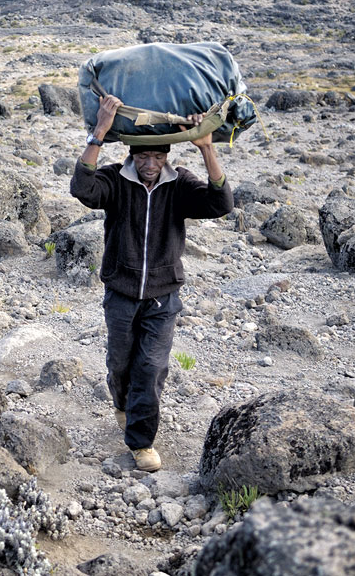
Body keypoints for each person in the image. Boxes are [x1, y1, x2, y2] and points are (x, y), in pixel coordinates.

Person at [69, 94, 233, 471]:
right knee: (121, 365)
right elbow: (83, 189)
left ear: (166, 158)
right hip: (121, 294)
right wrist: (99, 133)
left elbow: (220, 204)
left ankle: (142, 442)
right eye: (143, 156)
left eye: (157, 157)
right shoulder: (114, 179)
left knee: (152, 367)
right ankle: (122, 403)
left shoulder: (180, 185)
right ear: (131, 153)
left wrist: (206, 147)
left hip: (164, 297)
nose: (149, 164)